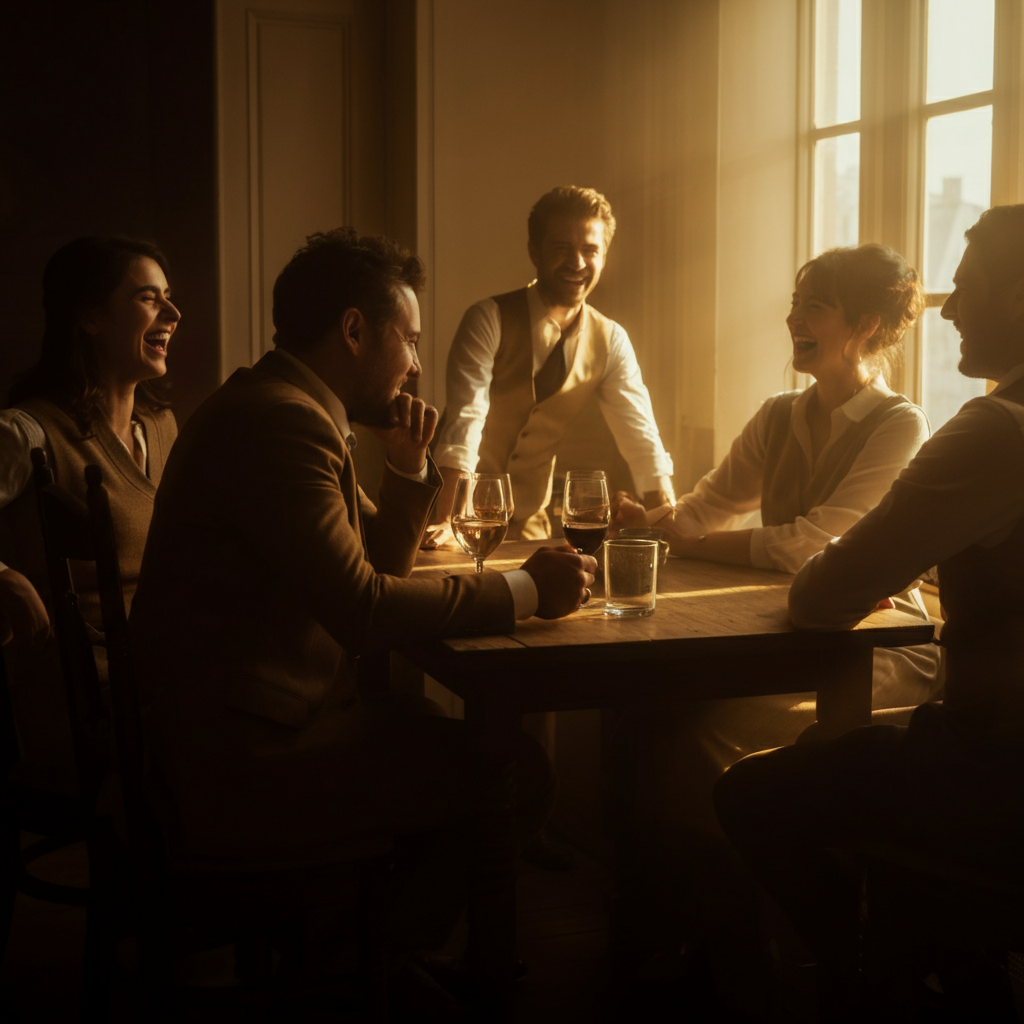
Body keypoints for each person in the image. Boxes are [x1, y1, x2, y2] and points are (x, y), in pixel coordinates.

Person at [130, 229, 596, 958]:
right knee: (516, 772)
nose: (415, 363)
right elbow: (365, 607)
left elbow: (372, 563)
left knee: (423, 726)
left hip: (231, 732)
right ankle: (368, 970)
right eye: (407, 339)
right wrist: (526, 589)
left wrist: (409, 470)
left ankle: (346, 953)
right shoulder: (282, 424)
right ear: (353, 330)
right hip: (241, 765)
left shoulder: (283, 405)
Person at [715, 205, 1024, 1016]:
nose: (948, 309)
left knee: (751, 794)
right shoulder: (786, 416)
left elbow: (819, 595)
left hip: (992, 775)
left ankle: (871, 985)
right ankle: (955, 971)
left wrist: (838, 560)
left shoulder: (992, 431)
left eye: (969, 288)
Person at [608, 243, 941, 992]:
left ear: (866, 324)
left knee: (695, 735)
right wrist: (651, 521)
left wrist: (690, 538)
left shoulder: (900, 424)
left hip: (883, 650)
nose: (794, 319)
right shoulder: (780, 416)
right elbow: (701, 509)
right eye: (795, 305)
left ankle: (749, 946)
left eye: (813, 307)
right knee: (647, 725)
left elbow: (810, 548)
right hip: (790, 639)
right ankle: (698, 929)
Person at [0, 235, 180, 770]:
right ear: (90, 319)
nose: (173, 313)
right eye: (148, 298)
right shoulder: (28, 432)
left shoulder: (163, 429)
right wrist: (3, 575)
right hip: (83, 704)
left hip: (157, 676)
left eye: (168, 297)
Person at [430, 185, 675, 542]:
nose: (577, 263)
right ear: (535, 251)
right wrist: (449, 521)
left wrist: (667, 521)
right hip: (457, 517)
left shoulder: (612, 340)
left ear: (604, 256)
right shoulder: (488, 319)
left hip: (530, 527)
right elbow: (465, 425)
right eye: (562, 248)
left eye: (590, 250)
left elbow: (642, 442)